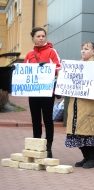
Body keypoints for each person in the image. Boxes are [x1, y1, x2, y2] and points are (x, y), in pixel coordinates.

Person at [65, 42, 94, 169]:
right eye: (82, 49)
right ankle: (86, 157)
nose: (83, 51)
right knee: (79, 133)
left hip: (92, 106)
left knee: (90, 133)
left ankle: (93, 158)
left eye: (86, 49)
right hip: (76, 105)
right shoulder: (76, 66)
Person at [24, 27, 61, 158]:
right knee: (35, 119)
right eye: (38, 36)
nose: (41, 38)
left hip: (47, 91)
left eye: (43, 36)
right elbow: (25, 72)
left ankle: (48, 146)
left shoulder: (52, 51)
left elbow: (59, 68)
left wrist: (48, 68)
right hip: (34, 92)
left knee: (47, 119)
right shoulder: (29, 54)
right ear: (33, 38)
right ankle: (37, 145)